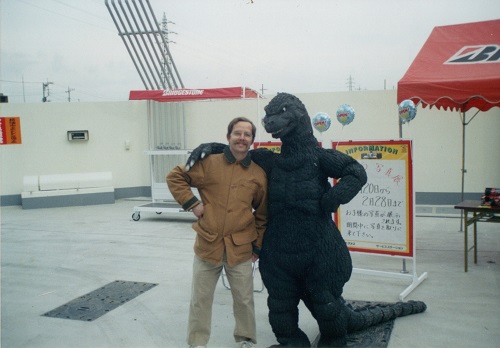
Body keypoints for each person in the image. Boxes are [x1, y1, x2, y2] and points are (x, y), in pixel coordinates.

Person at [166, 117, 267, 348]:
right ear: (228, 136)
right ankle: (197, 343)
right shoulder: (208, 164)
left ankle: (246, 340)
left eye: (247, 134)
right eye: (237, 133)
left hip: (240, 248)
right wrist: (193, 203)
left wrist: (257, 246)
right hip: (207, 245)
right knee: (200, 300)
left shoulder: (258, 175)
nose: (242, 138)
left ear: (252, 140)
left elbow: (262, 215)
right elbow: (175, 177)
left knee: (244, 299)